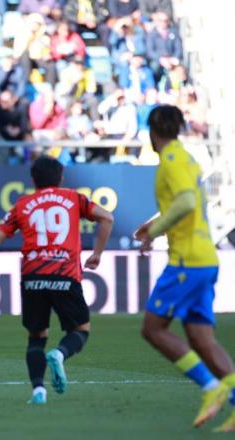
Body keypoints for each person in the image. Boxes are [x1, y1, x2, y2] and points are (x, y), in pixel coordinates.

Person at [0, 156, 114, 405]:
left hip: (33, 277)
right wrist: (97, 254)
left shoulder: (22, 204)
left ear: (32, 180)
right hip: (65, 274)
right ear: (61, 177)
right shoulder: (74, 198)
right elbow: (108, 218)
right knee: (80, 330)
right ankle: (60, 354)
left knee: (36, 337)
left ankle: (38, 391)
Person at [134, 105, 235, 431]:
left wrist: (154, 230)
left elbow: (187, 204)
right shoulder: (188, 159)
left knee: (153, 329)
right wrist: (154, 223)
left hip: (186, 261)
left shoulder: (171, 161)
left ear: (152, 131)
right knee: (201, 339)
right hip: (204, 258)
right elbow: (189, 202)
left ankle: (211, 388)